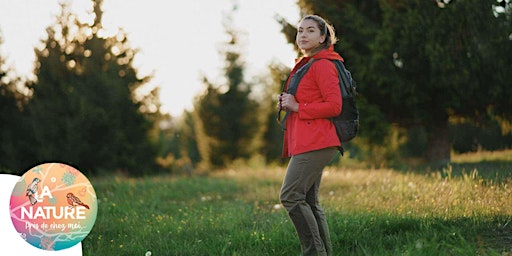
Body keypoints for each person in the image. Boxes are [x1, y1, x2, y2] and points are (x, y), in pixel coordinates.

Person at [277, 14, 343, 256]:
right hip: (307, 140)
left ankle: (314, 253)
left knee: (290, 196)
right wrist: (289, 102)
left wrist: (297, 107)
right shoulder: (306, 64)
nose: (303, 35)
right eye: (300, 30)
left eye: (310, 31)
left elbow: (334, 106)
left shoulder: (324, 65)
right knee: (310, 202)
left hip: (318, 141)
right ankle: (323, 252)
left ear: (323, 37)